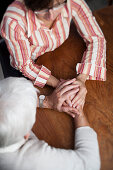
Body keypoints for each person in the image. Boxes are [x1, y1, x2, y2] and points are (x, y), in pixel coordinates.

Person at [0, 0, 106, 109]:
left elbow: (96, 39)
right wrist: (60, 86)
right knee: (19, 104)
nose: (51, 15)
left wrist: (81, 78)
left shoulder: (72, 1)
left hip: (54, 53)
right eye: (43, 9)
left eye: (57, 6)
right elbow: (25, 65)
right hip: (22, 60)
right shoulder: (13, 20)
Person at [0, 77, 100, 170]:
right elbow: (89, 163)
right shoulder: (30, 160)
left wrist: (47, 101)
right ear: (26, 135)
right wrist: (77, 108)